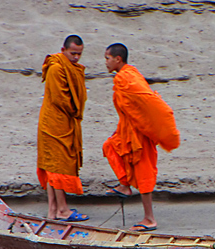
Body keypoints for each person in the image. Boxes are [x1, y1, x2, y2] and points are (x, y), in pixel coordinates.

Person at [102, 43, 181, 231]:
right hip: (127, 130)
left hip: (140, 134)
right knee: (109, 146)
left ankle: (149, 219)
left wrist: (157, 126)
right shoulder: (127, 75)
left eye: (107, 58)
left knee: (144, 172)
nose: (105, 62)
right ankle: (124, 185)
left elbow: (147, 101)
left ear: (117, 59)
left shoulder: (127, 77)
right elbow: (128, 109)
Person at [37, 35, 89, 222]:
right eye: (72, 53)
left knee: (53, 166)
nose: (76, 58)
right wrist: (75, 110)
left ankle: (53, 210)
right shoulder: (56, 68)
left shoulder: (72, 68)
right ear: (63, 50)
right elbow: (61, 99)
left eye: (79, 54)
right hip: (54, 123)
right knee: (56, 166)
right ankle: (63, 210)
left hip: (64, 121)